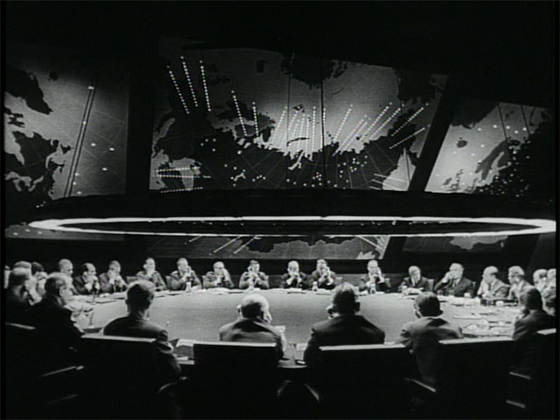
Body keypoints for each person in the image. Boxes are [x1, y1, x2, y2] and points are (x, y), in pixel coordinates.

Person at [103, 280, 181, 385]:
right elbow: (174, 371)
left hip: (116, 387)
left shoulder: (111, 327)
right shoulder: (156, 332)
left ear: (126, 301)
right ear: (150, 302)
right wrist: (170, 351)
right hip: (149, 390)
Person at [304, 283, 385, 367]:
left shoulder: (320, 330)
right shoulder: (377, 333)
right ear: (358, 306)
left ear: (333, 307)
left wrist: (331, 320)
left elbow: (309, 360)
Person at [396, 292, 463, 386]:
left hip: (429, 384)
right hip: (457, 383)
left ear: (416, 310)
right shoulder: (456, 328)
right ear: (439, 311)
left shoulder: (412, 328)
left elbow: (395, 352)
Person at [30, 273, 84, 371]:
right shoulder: (60, 312)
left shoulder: (34, 308)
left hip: (37, 358)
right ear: (61, 290)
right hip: (57, 361)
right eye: (69, 290)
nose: (71, 294)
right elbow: (78, 340)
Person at [219, 293, 285, 359]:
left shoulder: (224, 331)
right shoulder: (274, 334)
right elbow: (279, 355)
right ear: (263, 314)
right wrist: (281, 335)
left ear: (240, 311)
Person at [511, 288, 556, 377]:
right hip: (549, 369)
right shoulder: (553, 320)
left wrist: (520, 320)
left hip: (526, 370)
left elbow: (514, 350)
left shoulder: (524, 323)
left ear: (524, 305)